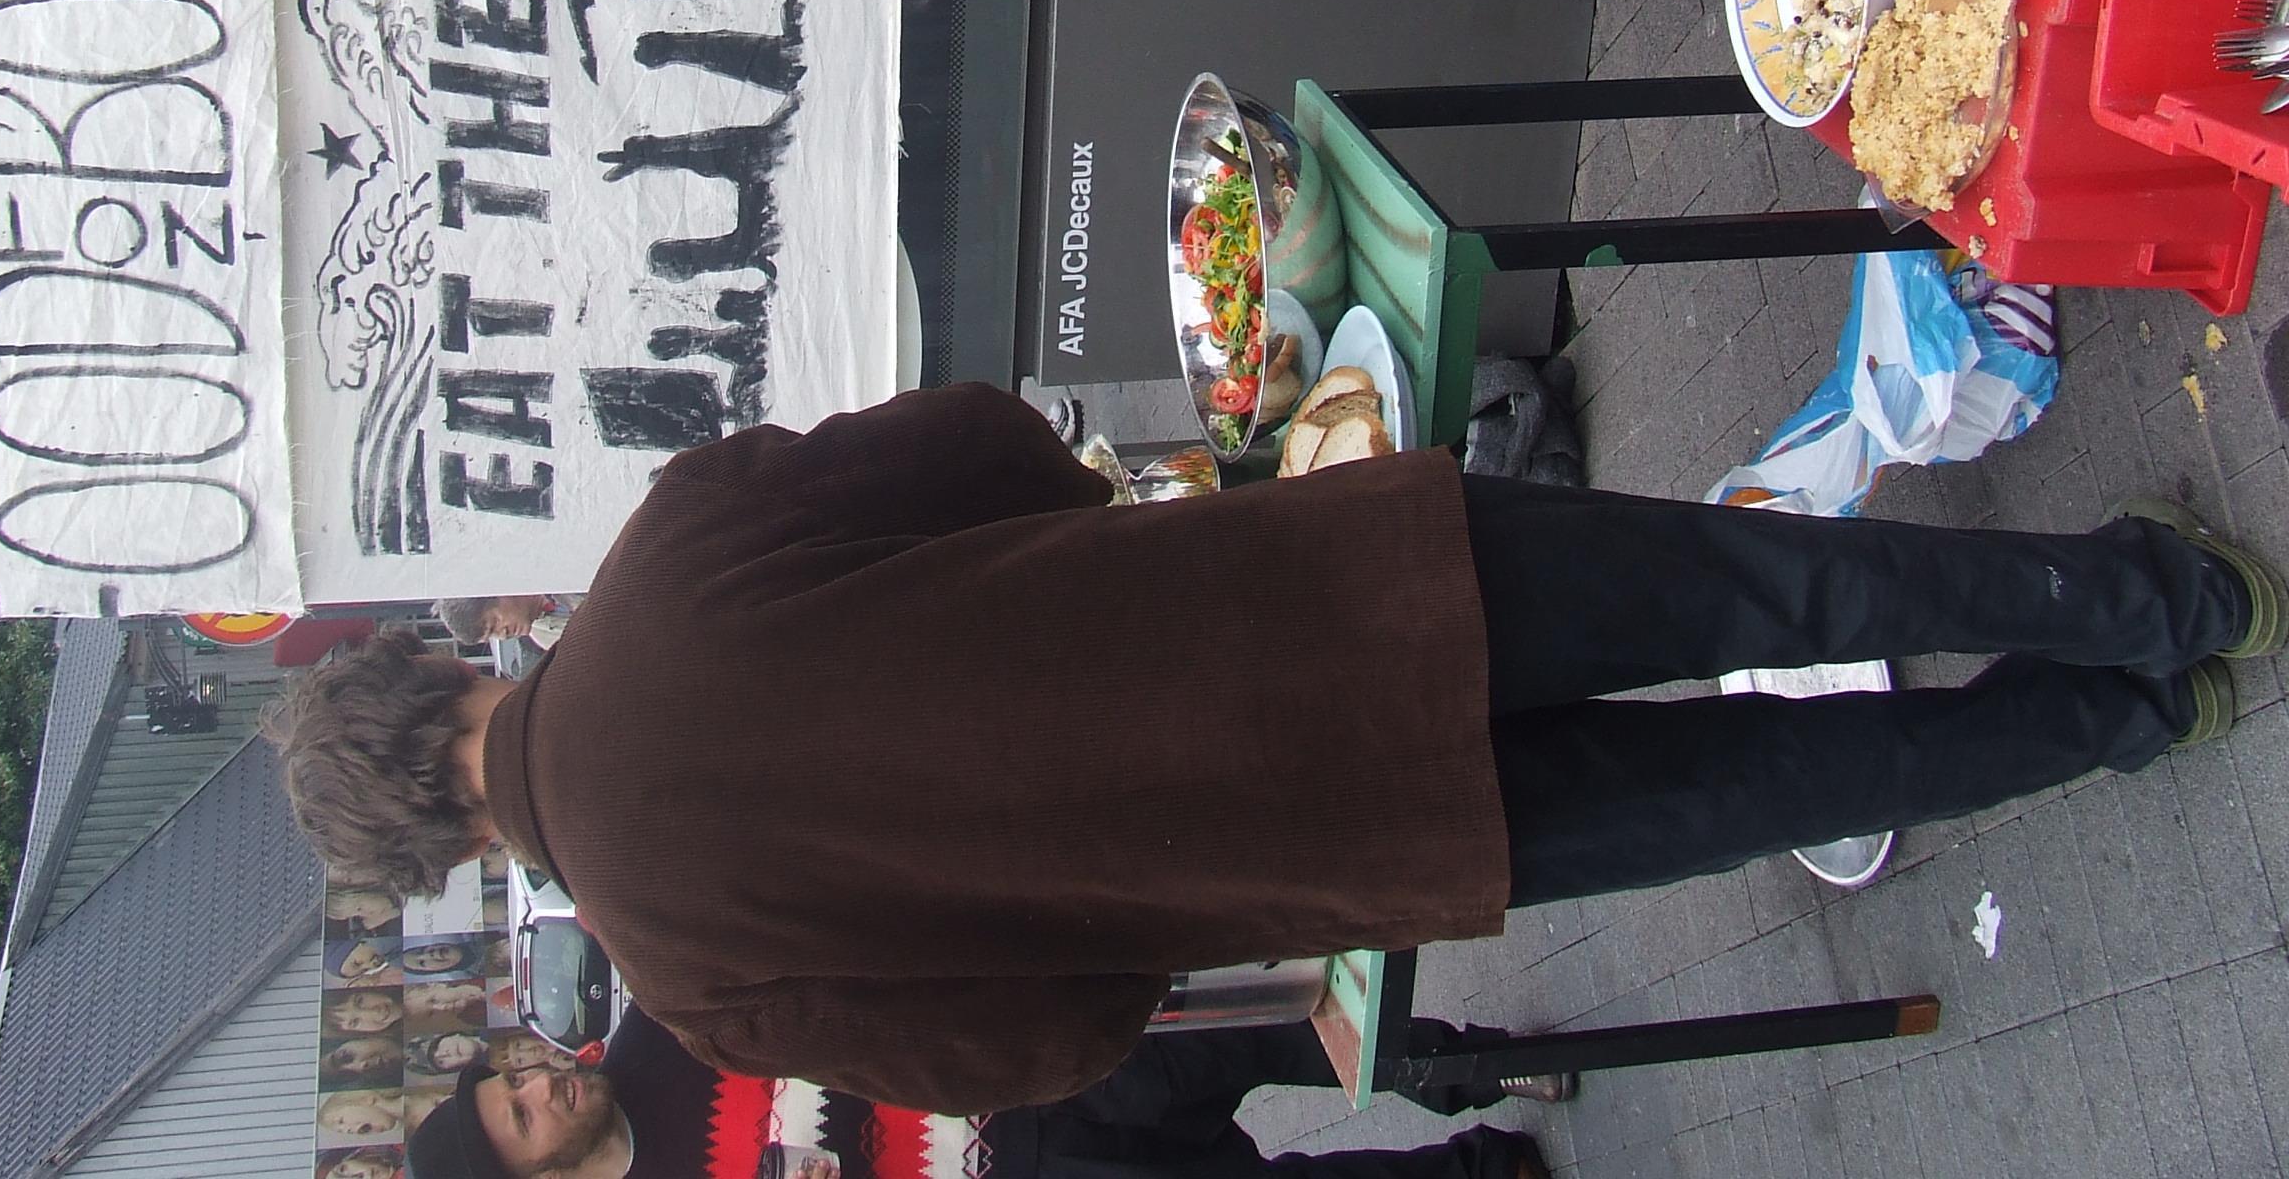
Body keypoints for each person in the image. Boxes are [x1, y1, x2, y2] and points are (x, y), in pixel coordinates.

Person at [268, 384, 2281, 1114]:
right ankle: (2169, 597)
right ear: (434, 671)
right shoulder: (665, 555)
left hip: (1342, 844)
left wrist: (1138, 896)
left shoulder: (696, 986)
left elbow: (1035, 1051)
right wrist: (1074, 557)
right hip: (1335, 591)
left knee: (1770, 789)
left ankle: (2134, 717)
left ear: (439, 855)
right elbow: (977, 441)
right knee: (1771, 593)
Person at [403, 1001, 1564, 1179]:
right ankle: (1483, 1169)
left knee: (1271, 1035)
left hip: (1022, 1061)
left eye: (516, 1078)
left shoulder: (663, 1013)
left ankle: (1471, 1063)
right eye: (520, 1117)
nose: (539, 1088)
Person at [439, 593, 579, 650]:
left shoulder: (556, 572)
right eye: (492, 637)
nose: (503, 635)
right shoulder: (545, 639)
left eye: (494, 624)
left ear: (497, 593)